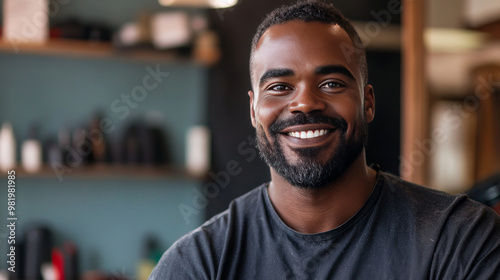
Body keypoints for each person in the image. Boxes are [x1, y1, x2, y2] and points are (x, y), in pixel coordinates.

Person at [149, 1, 500, 279]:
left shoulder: (461, 240)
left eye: (331, 83)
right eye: (279, 87)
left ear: (367, 102)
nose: (304, 103)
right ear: (254, 111)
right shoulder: (198, 265)